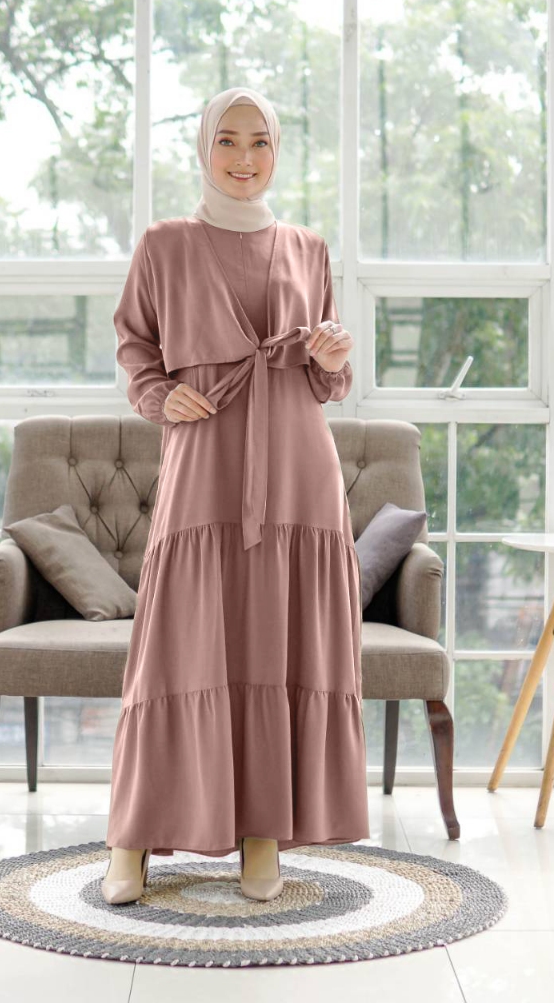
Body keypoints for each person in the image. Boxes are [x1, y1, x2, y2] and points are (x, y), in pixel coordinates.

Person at [102, 86, 369, 905]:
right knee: (177, 650)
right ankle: (131, 840)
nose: (244, 158)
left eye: (260, 142)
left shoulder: (309, 248)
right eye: (228, 140)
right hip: (204, 459)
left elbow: (327, 381)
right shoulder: (165, 243)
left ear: (277, 152)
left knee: (277, 646)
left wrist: (330, 355)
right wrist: (159, 395)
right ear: (203, 148)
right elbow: (135, 344)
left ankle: (263, 832)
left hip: (297, 470)